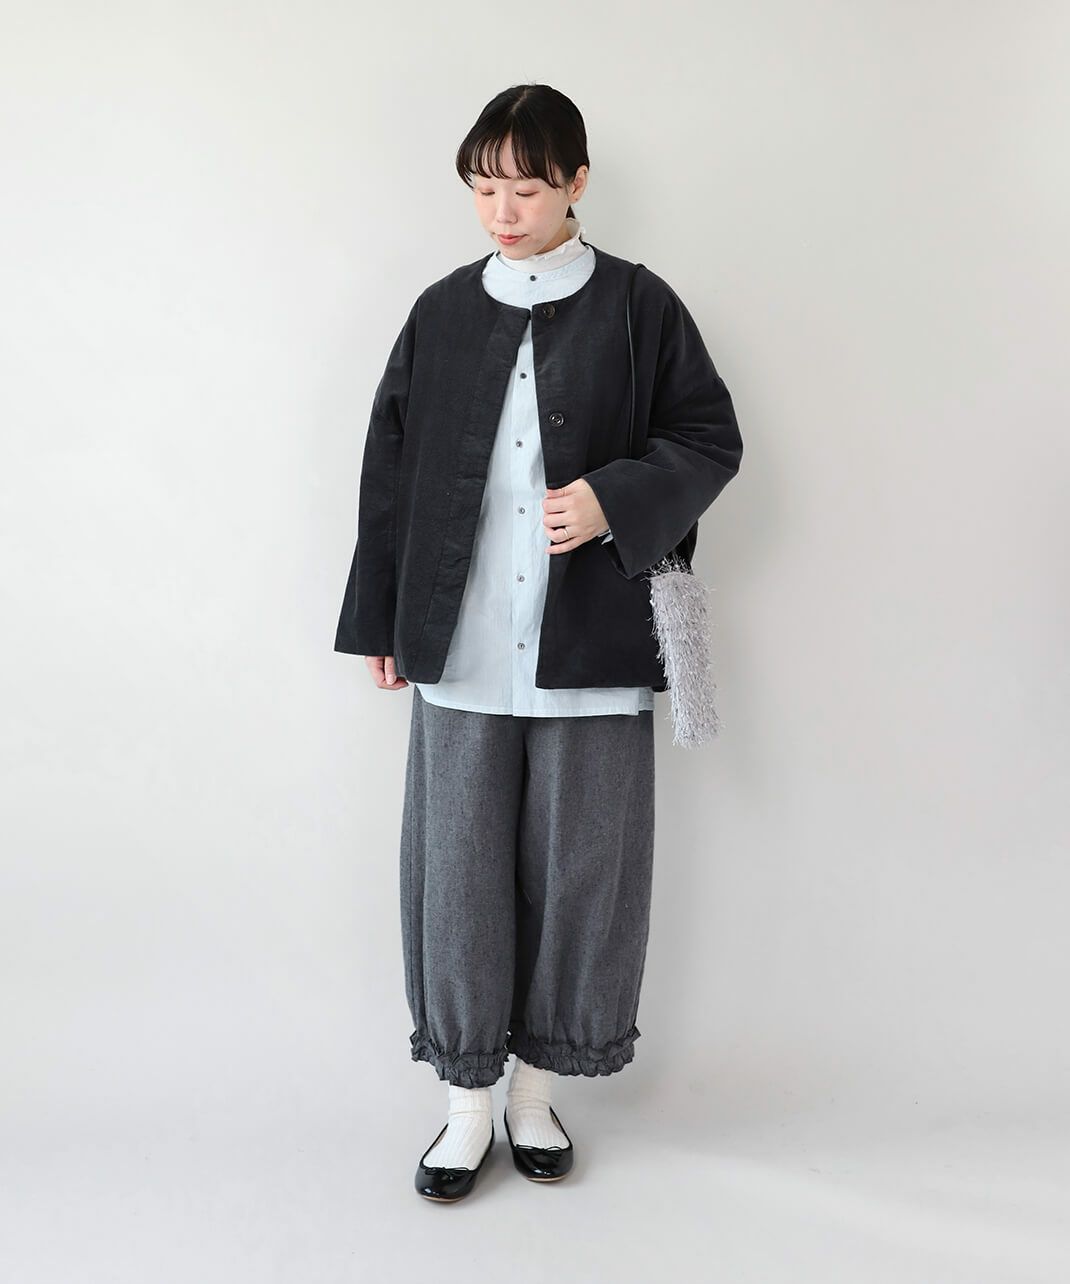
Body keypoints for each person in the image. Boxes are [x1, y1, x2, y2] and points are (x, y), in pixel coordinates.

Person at [334, 83, 743, 1202]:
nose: (502, 213)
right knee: (457, 870)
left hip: (592, 641)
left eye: (523, 188)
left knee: (582, 874)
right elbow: (389, 471)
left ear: (576, 182)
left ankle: (534, 1095)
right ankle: (466, 1105)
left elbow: (708, 437)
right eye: (482, 190)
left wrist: (613, 499)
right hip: (459, 641)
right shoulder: (440, 311)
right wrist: (378, 615)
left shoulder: (640, 306)